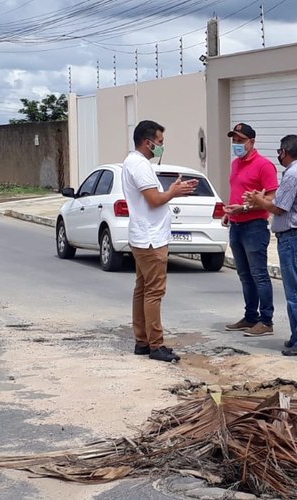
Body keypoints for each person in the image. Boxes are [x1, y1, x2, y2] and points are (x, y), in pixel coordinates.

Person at [122, 120, 197, 362]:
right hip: (151, 238)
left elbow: (152, 198)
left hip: (142, 235)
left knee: (142, 289)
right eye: (160, 143)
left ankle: (142, 341)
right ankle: (155, 344)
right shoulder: (140, 165)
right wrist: (175, 192)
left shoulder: (132, 163)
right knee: (154, 292)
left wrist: (173, 189)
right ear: (148, 142)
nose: (161, 147)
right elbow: (154, 200)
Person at [246, 135, 297, 356]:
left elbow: (280, 207)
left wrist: (260, 201)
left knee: (296, 292)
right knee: (295, 290)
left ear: (285, 152)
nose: (278, 155)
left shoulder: (293, 174)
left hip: (293, 238)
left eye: (279, 151)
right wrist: (264, 200)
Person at [223, 123, 279, 337]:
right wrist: (230, 211)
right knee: (244, 274)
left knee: (259, 274)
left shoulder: (264, 166)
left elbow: (272, 199)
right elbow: (236, 191)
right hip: (236, 226)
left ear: (252, 142)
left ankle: (266, 320)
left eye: (240, 140)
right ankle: (250, 317)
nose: (236, 144)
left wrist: (246, 207)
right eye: (234, 140)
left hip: (254, 226)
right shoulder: (235, 164)